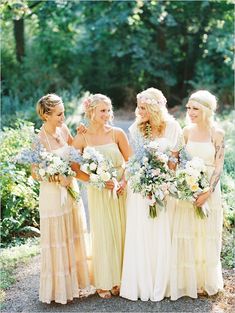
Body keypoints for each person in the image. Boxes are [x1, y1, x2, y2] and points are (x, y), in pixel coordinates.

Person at [120, 87, 183, 301]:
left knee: (160, 231)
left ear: (155, 107)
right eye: (138, 107)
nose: (139, 111)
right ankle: (140, 284)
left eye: (143, 107)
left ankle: (162, 283)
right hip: (140, 190)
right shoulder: (136, 129)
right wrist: (133, 179)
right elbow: (132, 160)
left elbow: (174, 160)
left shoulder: (172, 127)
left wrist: (165, 181)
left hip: (163, 188)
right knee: (142, 231)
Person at [32, 94, 92, 304]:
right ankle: (59, 290)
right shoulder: (38, 139)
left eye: (64, 112)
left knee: (73, 233)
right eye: (59, 114)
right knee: (58, 238)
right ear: (46, 115)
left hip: (70, 190)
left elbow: (75, 155)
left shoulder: (64, 130)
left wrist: (81, 137)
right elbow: (35, 173)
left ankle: (75, 283)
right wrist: (57, 176)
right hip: (52, 194)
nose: (63, 117)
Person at [72, 93, 131, 299]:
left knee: (121, 231)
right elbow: (74, 167)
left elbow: (131, 162)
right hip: (98, 191)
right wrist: (96, 181)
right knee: (103, 233)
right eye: (102, 111)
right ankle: (105, 280)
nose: (107, 114)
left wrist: (123, 182)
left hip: (120, 190)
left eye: (109, 110)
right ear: (91, 111)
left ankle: (121, 279)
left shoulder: (117, 133)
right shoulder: (82, 137)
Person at [170, 90, 224, 300]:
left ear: (207, 110)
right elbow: (176, 160)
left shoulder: (217, 133)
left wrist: (207, 193)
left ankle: (206, 281)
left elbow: (219, 166)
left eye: (195, 109)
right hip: (188, 188)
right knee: (189, 233)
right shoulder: (186, 132)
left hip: (209, 188)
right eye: (189, 108)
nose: (190, 112)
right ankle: (188, 282)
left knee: (207, 234)